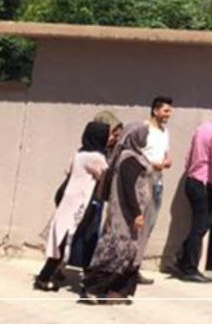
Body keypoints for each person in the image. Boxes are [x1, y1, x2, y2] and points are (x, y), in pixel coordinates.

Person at [81, 125, 153, 305]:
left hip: (126, 214)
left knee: (128, 252)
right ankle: (92, 288)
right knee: (118, 252)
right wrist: (136, 214)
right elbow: (128, 188)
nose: (146, 139)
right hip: (125, 215)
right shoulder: (130, 160)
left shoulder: (129, 156)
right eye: (144, 135)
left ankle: (118, 291)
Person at [34, 121, 110, 291]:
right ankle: (46, 277)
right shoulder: (96, 158)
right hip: (81, 203)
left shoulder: (79, 154)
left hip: (68, 199)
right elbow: (106, 176)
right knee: (74, 240)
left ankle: (51, 273)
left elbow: (67, 170)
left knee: (61, 238)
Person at [173, 104, 212, 283]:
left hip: (192, 181)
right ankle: (189, 268)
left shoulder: (201, 128)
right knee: (201, 226)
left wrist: (190, 172)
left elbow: (188, 155)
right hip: (202, 184)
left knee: (201, 224)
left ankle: (182, 258)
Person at [138, 97, 173, 284]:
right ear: (155, 110)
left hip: (158, 180)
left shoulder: (165, 131)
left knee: (149, 224)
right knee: (137, 223)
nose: (169, 114)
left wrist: (167, 161)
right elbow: (137, 154)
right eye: (166, 110)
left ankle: (135, 266)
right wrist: (153, 164)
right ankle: (126, 266)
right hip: (143, 179)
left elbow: (166, 153)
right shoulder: (144, 128)